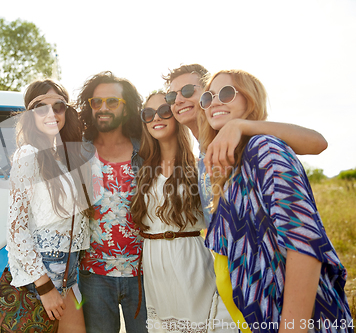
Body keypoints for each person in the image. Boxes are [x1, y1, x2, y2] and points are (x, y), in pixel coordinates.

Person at [199, 69, 353, 333]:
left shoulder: (265, 150)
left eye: (226, 93)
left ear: (251, 101)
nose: (214, 101)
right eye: (208, 97)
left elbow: (304, 243)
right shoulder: (232, 168)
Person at [163, 64, 328, 225]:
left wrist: (240, 126)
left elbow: (317, 142)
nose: (178, 100)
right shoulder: (202, 155)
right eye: (171, 96)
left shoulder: (252, 142)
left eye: (187, 91)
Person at [130, 92, 237, 333]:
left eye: (164, 111)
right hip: (153, 261)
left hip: (189, 258)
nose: (156, 117)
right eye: (148, 114)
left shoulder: (199, 165)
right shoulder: (142, 168)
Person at [7, 79, 92, 333]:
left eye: (58, 106)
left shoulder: (66, 156)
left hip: (70, 273)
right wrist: (45, 288)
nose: (51, 114)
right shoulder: (28, 154)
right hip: (43, 274)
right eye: (41, 108)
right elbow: (16, 231)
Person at [76, 71, 147, 333]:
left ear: (127, 108)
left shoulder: (145, 149)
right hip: (93, 273)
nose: (103, 108)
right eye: (97, 102)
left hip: (142, 272)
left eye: (112, 102)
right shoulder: (80, 150)